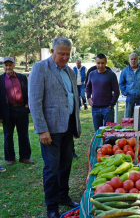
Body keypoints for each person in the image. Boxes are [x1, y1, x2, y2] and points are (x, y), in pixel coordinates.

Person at [28, 37, 81, 218]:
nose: (65, 57)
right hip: (50, 129)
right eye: (61, 54)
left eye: (67, 54)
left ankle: (63, 196)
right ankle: (51, 206)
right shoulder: (40, 68)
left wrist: (77, 125)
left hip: (68, 126)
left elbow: (73, 97)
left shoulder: (70, 71)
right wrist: (42, 129)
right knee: (51, 168)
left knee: (65, 165)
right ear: (52, 52)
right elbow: (35, 101)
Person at [0, 57, 33, 166]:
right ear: (3, 66)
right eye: (6, 65)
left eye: (10, 65)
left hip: (22, 109)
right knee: (8, 135)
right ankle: (10, 158)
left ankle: (25, 157)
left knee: (23, 134)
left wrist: (27, 104)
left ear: (14, 65)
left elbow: (28, 91)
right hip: (7, 111)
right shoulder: (0, 79)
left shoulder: (22, 77)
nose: (8, 67)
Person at [86, 54, 119, 131]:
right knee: (97, 132)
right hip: (95, 108)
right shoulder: (92, 74)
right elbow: (88, 86)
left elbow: (116, 91)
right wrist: (88, 97)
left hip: (107, 108)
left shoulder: (111, 74)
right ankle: (99, 144)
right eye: (98, 63)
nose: (100, 65)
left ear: (106, 62)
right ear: (95, 62)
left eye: (102, 63)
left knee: (108, 133)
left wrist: (111, 104)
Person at [119, 53, 140, 118]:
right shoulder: (125, 71)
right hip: (130, 96)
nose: (133, 61)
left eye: (135, 59)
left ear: (137, 60)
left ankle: (139, 127)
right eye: (132, 59)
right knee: (128, 115)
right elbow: (121, 83)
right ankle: (129, 127)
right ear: (129, 60)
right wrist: (125, 92)